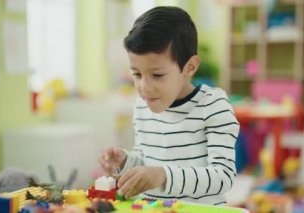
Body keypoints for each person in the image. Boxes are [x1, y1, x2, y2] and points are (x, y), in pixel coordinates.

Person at [98, 6, 240, 205]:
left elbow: (223, 176)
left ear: (189, 67)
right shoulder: (142, 107)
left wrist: (164, 175)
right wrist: (125, 161)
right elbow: (146, 163)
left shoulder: (213, 106)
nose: (144, 87)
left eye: (157, 75)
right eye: (137, 74)